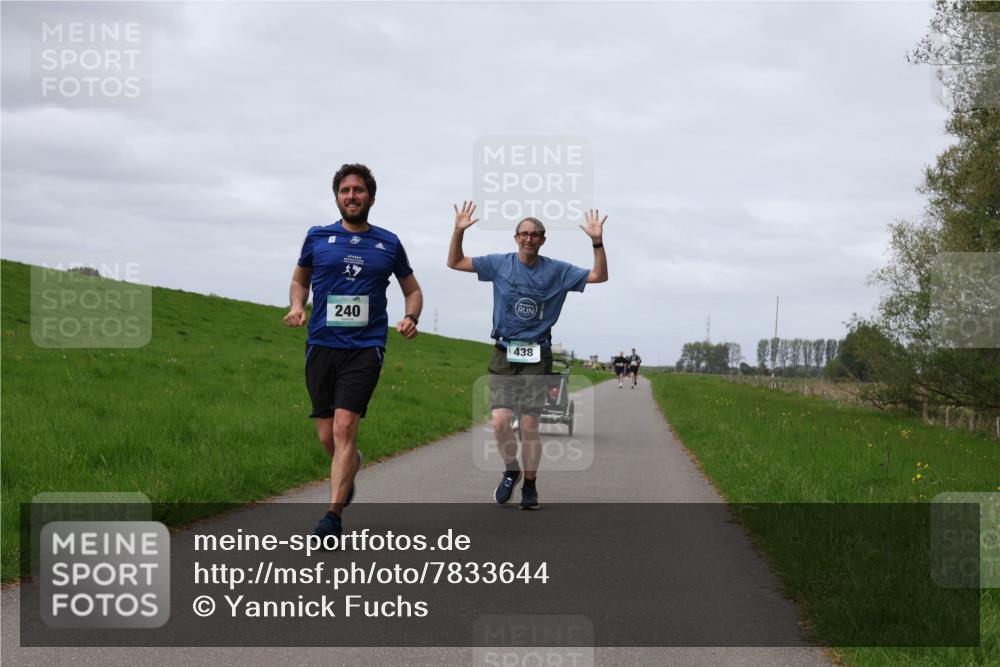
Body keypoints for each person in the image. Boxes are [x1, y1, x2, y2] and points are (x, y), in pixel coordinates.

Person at [284, 164, 423, 540]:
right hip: (322, 345)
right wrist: (298, 306)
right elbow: (301, 280)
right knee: (328, 437)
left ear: (371, 198)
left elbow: (413, 289)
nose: (351, 196)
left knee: (346, 425)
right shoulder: (317, 236)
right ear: (337, 197)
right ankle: (350, 469)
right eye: (345, 190)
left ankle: (332, 516)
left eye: (358, 190)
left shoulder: (388, 243)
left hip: (365, 347)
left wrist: (411, 316)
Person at [447, 201, 608, 509]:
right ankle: (511, 469)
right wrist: (458, 230)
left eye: (535, 234)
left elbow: (599, 276)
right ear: (516, 237)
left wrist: (596, 241)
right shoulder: (499, 264)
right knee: (499, 422)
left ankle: (531, 486)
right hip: (504, 351)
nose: (529, 239)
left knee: (531, 426)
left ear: (543, 239)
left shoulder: (558, 271)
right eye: (524, 234)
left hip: (538, 355)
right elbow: (455, 262)